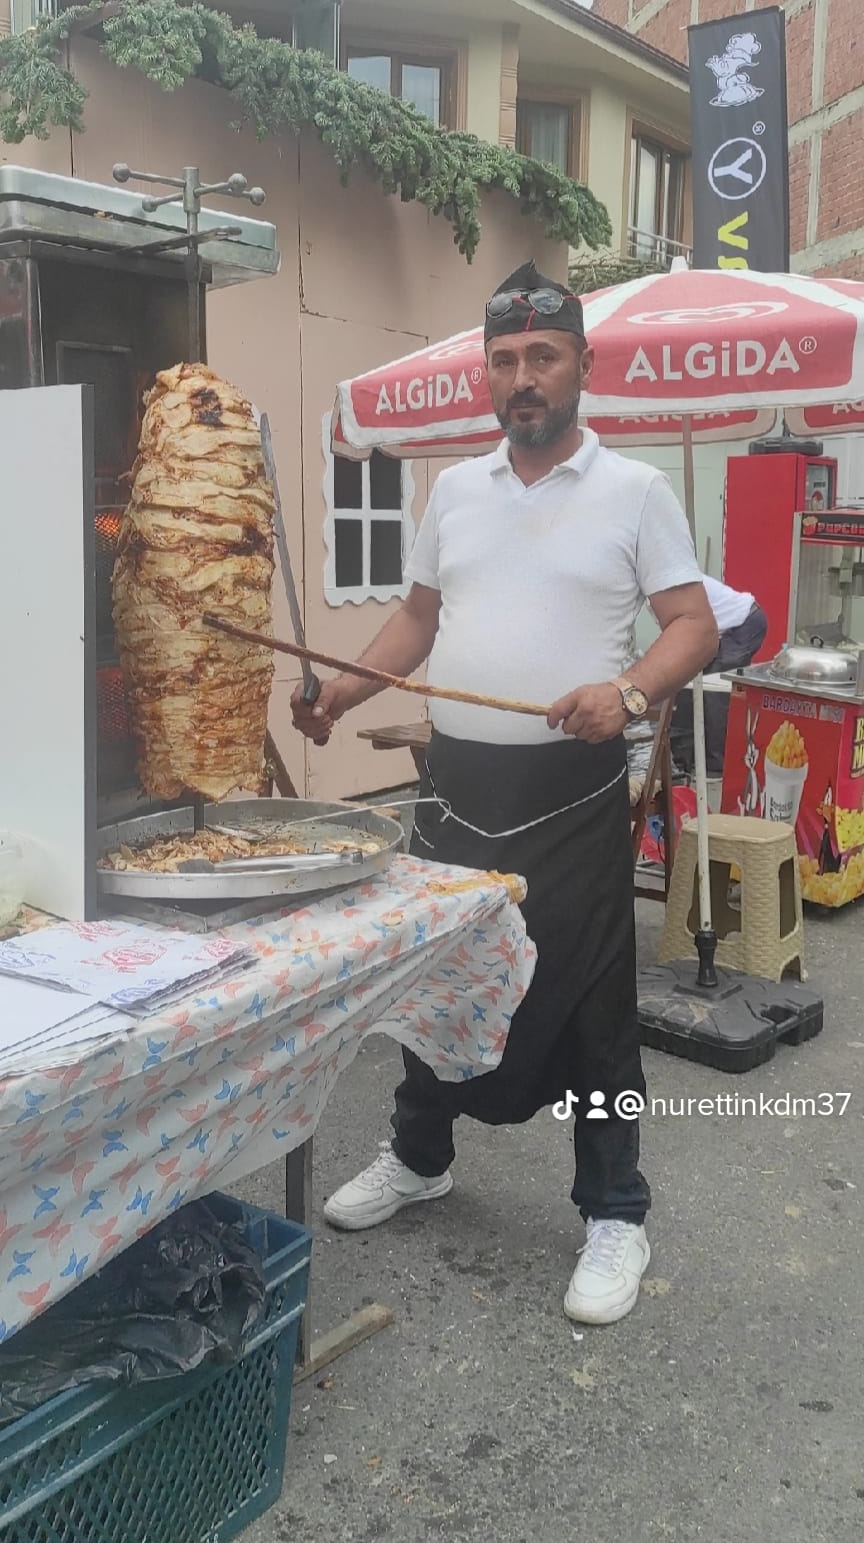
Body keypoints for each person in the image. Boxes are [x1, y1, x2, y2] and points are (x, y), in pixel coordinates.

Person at [292, 260, 717, 1326]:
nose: (522, 376)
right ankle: (420, 1154)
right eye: (505, 360)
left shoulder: (636, 491)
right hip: (456, 785)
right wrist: (341, 693)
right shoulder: (455, 490)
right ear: (489, 373)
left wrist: (625, 691)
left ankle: (616, 1207)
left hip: (569, 792)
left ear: (582, 364)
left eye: (543, 356)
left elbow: (692, 626)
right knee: (435, 980)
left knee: (588, 1006)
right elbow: (417, 620)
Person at [671, 575, 767, 777]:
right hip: (728, 628)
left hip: (745, 623)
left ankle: (716, 765)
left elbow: (687, 635)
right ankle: (686, 758)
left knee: (714, 691)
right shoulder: (669, 588)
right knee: (688, 687)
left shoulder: (679, 586)